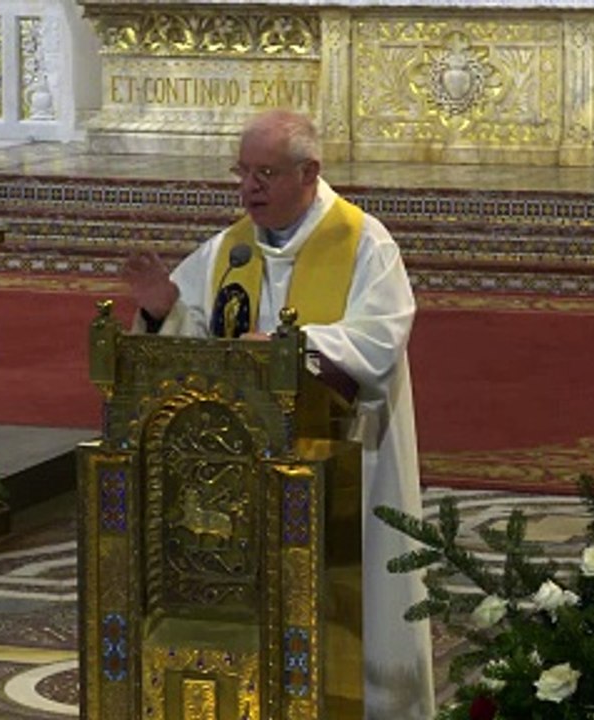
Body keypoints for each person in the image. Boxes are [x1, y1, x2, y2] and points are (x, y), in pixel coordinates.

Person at [122, 109, 434, 719]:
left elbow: (381, 338)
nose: (249, 187)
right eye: (242, 172)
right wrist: (163, 308)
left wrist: (297, 350)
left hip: (348, 458)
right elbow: (198, 345)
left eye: (265, 172)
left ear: (309, 172)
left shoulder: (364, 243)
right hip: (252, 477)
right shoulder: (230, 251)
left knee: (358, 594)